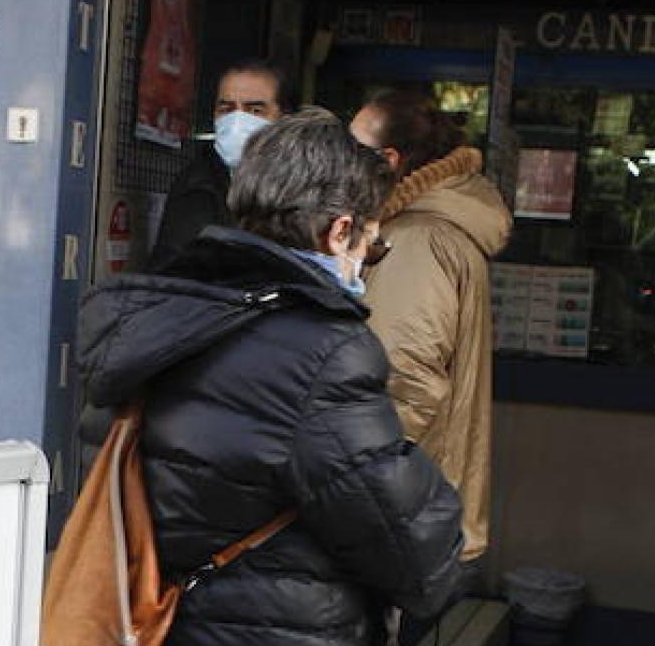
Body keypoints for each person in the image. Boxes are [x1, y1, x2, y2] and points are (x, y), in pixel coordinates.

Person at [78, 108, 465, 646]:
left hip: (158, 618)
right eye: (373, 247)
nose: (367, 263)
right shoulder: (321, 352)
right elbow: (412, 550)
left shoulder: (161, 311)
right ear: (340, 232)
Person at [350, 89, 512, 644]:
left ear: (390, 161)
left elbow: (398, 385)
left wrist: (345, 497)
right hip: (422, 508)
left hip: (397, 515)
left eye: (354, 149)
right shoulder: (437, 230)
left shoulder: (417, 240)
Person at [144, 58, 288, 272]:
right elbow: (172, 272)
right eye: (227, 109)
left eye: (255, 110)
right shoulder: (196, 186)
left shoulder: (304, 188)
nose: (238, 121)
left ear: (284, 119)